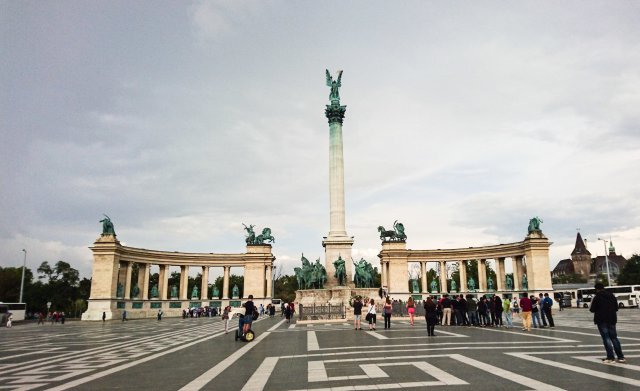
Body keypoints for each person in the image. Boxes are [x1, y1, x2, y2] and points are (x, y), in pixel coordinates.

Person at [590, 283, 625, 363]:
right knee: (614, 338)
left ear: (596, 289)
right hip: (612, 319)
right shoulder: (612, 296)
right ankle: (620, 357)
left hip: (601, 320)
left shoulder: (597, 297)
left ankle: (610, 357)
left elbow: (592, 309)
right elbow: (616, 308)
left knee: (606, 338)